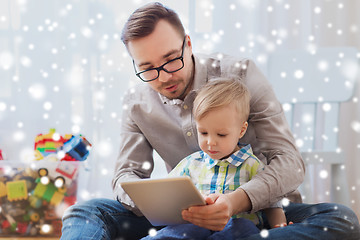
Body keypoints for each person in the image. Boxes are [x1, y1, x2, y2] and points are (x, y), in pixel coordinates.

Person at [60, 2, 360, 240]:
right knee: (85, 213)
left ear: (188, 43)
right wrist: (171, 204)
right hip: (179, 223)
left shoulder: (241, 74)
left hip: (256, 216)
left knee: (341, 219)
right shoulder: (137, 102)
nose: (164, 76)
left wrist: (235, 202)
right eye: (148, 69)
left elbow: (290, 162)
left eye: (170, 60)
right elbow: (126, 175)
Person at [141, 78, 290, 240]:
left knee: (244, 227)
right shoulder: (192, 163)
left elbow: (272, 202)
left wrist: (279, 227)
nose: (210, 142)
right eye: (203, 133)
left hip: (236, 225)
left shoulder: (252, 164)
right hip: (196, 226)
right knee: (176, 231)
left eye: (221, 134)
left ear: (241, 130)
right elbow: (168, 190)